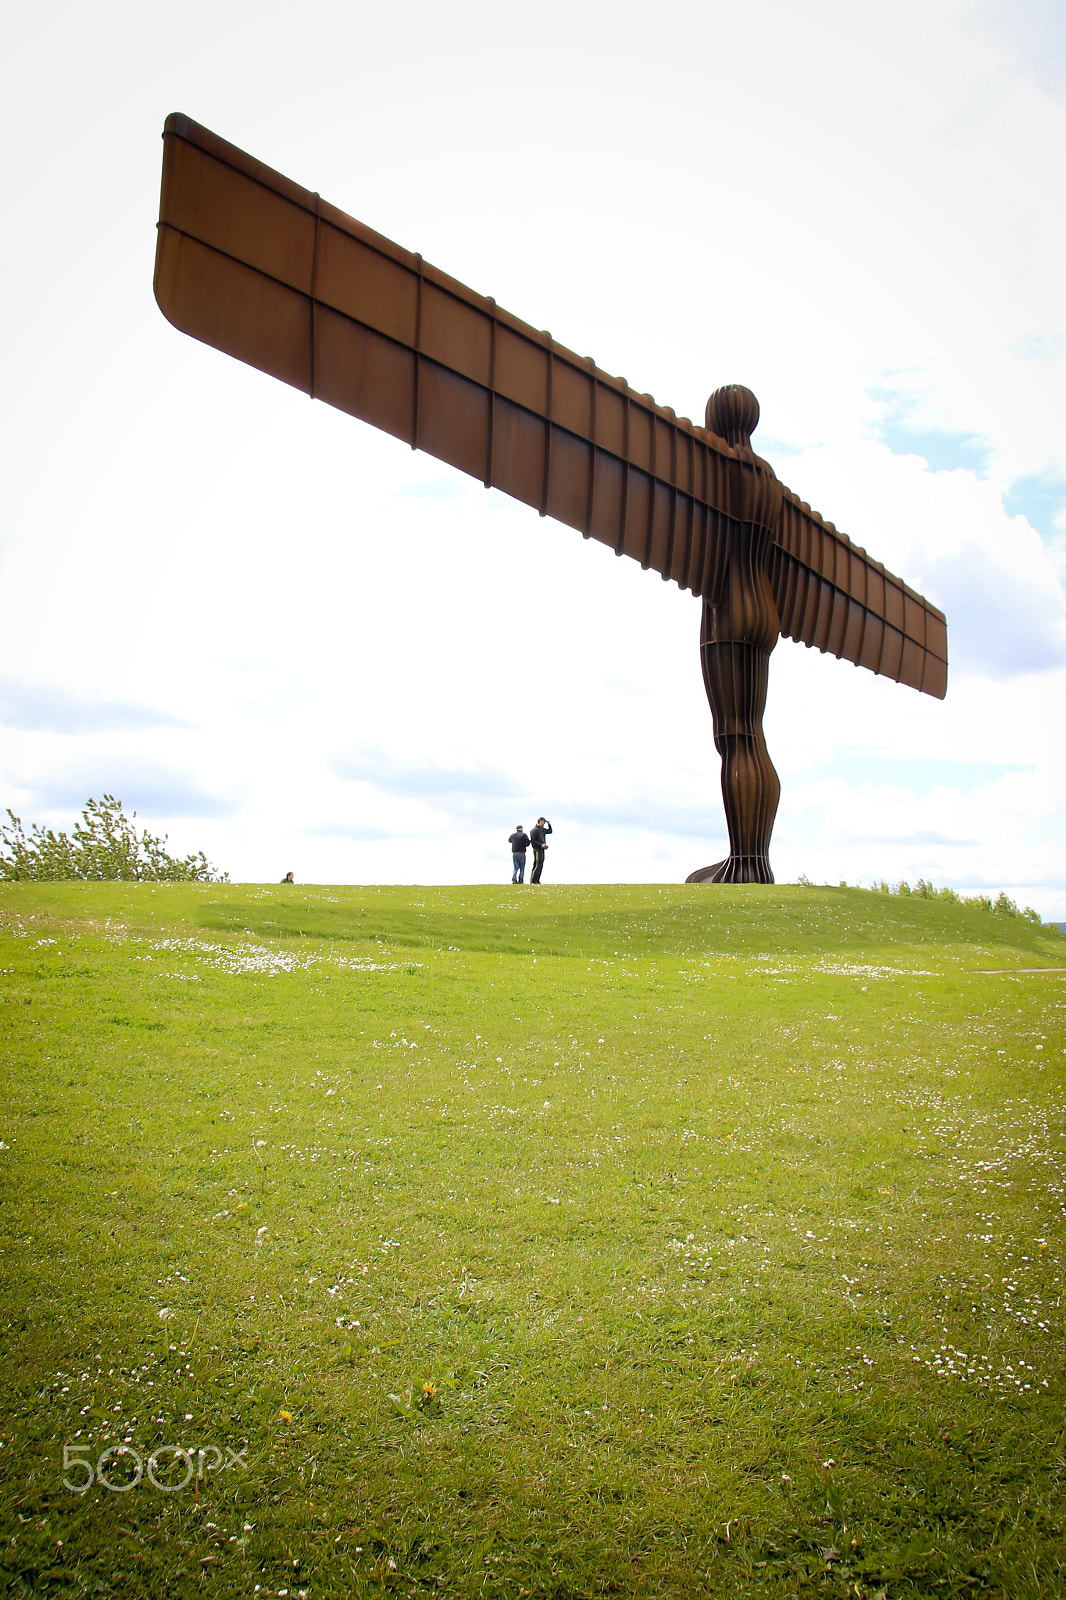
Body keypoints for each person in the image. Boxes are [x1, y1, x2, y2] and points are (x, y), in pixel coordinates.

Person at [529, 817, 553, 883]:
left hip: (542, 849)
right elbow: (533, 841)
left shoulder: (542, 830)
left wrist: (549, 824)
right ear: (541, 821)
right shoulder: (534, 830)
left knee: (540, 865)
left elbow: (550, 831)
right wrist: (540, 845)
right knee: (537, 865)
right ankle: (533, 880)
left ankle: (537, 880)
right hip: (537, 849)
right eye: (544, 822)